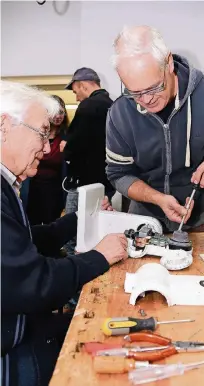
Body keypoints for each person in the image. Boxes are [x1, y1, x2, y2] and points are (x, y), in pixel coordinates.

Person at [1, 80, 128, 386]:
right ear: (4, 126)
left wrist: (75, 221)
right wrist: (99, 257)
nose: (47, 147)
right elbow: (32, 282)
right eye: (43, 133)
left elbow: (21, 243)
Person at [106, 25, 204, 232]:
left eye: (154, 87)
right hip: (144, 220)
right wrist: (158, 199)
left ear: (169, 63)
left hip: (198, 216)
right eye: (135, 92)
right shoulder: (120, 112)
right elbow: (118, 174)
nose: (146, 100)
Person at [63, 67, 115, 254]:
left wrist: (65, 149)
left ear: (82, 85)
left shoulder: (87, 107)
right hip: (107, 182)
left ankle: (71, 270)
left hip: (83, 183)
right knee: (93, 229)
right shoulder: (113, 105)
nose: (77, 98)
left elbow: (74, 146)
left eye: (76, 92)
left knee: (72, 230)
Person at [22, 95, 68, 225]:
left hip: (55, 191)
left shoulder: (67, 136)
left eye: (62, 112)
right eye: (55, 112)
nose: (59, 116)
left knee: (51, 226)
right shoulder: (34, 134)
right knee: (32, 226)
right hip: (33, 189)